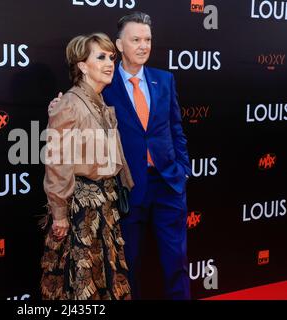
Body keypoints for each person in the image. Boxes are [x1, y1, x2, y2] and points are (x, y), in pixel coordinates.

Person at [49, 12, 192, 300]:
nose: (143, 45)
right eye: (135, 39)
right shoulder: (105, 83)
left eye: (148, 39)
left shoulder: (164, 80)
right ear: (119, 45)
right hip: (126, 189)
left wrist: (182, 167)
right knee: (126, 267)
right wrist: (58, 107)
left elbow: (175, 128)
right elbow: (78, 108)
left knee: (176, 261)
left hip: (168, 183)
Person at [40, 32, 134, 300]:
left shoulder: (98, 100)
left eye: (111, 57)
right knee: (81, 285)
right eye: (101, 57)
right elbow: (57, 162)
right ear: (82, 66)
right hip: (81, 211)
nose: (109, 63)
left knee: (103, 279)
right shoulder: (70, 104)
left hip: (105, 205)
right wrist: (59, 212)